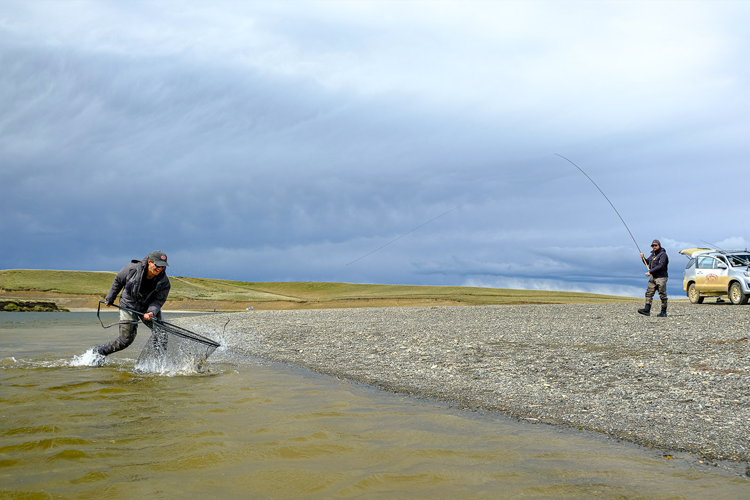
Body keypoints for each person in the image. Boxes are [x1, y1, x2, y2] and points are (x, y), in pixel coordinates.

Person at [96, 251, 171, 356]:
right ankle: (99, 352)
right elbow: (118, 281)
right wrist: (110, 298)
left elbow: (158, 301)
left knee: (161, 332)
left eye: (163, 266)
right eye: (157, 265)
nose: (160, 269)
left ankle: (160, 362)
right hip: (128, 305)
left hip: (147, 307)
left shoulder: (165, 282)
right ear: (150, 261)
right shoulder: (131, 269)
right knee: (126, 340)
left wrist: (151, 312)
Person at [638, 240, 669, 317]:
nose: (654, 247)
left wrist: (650, 271)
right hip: (653, 277)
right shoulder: (652, 255)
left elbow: (661, 265)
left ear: (659, 245)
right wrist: (643, 258)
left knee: (662, 294)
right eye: (653, 246)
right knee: (649, 293)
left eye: (655, 245)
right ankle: (647, 310)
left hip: (661, 277)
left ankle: (663, 312)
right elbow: (647, 262)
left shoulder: (663, 255)